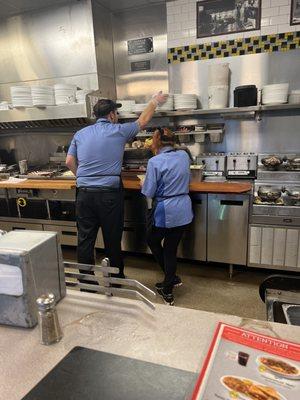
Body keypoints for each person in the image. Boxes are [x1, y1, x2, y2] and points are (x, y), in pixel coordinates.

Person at [66, 92, 167, 287]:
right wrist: (154, 100)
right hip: (109, 195)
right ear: (112, 115)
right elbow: (143, 120)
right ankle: (114, 279)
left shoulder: (80, 134)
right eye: (116, 113)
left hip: (84, 194)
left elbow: (69, 161)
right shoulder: (118, 130)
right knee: (112, 237)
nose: (117, 117)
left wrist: (82, 177)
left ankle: (86, 281)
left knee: (85, 238)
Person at [141, 128, 193, 305]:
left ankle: (168, 289)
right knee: (171, 247)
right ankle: (171, 278)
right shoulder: (184, 156)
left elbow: (148, 191)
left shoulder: (155, 161)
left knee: (153, 240)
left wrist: (144, 182)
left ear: (157, 141)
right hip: (183, 209)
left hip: (166, 210)